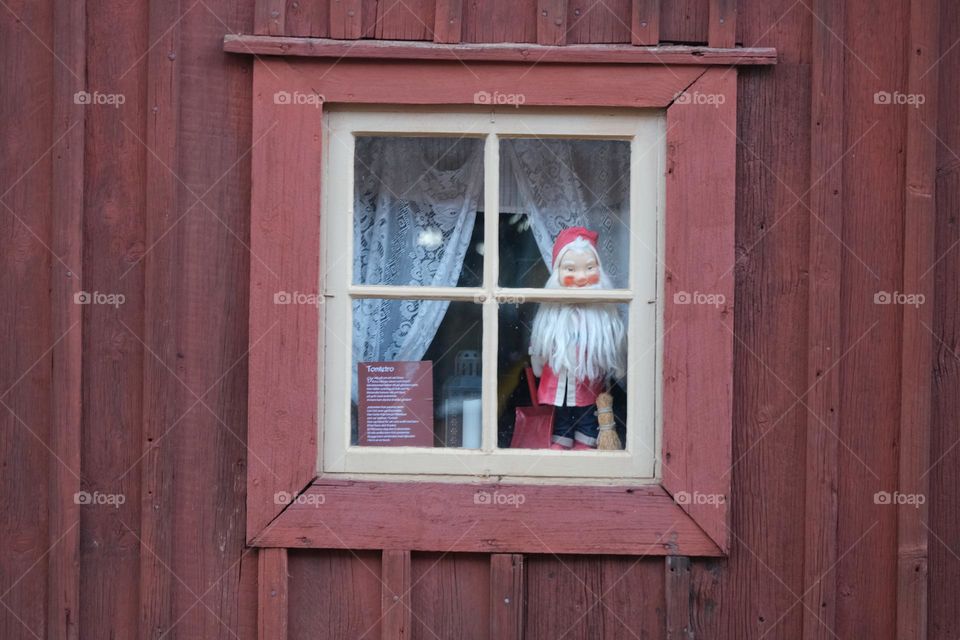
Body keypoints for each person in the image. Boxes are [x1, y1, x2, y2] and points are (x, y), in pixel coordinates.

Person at [528, 227, 626, 450]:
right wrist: (538, 361)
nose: (581, 277)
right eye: (571, 269)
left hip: (588, 383)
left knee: (587, 414)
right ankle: (561, 442)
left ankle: (586, 441)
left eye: (589, 268)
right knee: (561, 415)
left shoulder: (602, 317)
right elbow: (540, 343)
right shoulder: (552, 316)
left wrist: (618, 367)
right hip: (558, 379)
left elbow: (614, 344)